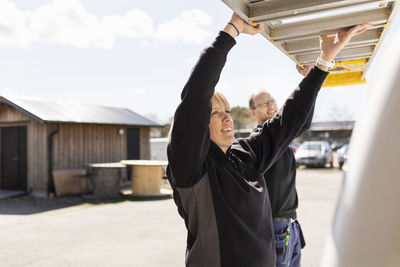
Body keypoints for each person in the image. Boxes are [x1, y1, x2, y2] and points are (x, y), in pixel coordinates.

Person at [167, 12, 370, 267]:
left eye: (227, 112)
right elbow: (196, 94)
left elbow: (290, 119)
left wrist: (324, 60)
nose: (227, 118)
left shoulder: (245, 153)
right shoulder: (191, 168)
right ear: (196, 124)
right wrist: (232, 30)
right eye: (215, 114)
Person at [248, 64, 313, 267]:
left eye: (272, 101)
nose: (271, 106)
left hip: (290, 224)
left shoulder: (281, 137)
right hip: (274, 225)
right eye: (263, 104)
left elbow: (302, 121)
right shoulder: (260, 141)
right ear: (253, 113)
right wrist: (309, 81)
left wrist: (312, 85)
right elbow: (294, 119)